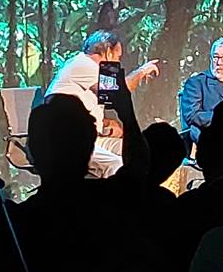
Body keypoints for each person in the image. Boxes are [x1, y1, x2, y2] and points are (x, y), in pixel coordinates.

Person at [46, 30, 159, 177]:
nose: (118, 62)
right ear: (107, 52)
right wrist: (142, 71)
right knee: (116, 165)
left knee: (139, 152)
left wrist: (105, 124)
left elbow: (87, 107)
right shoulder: (83, 64)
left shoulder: (84, 67)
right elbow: (118, 92)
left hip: (91, 139)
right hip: (69, 142)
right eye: (117, 57)